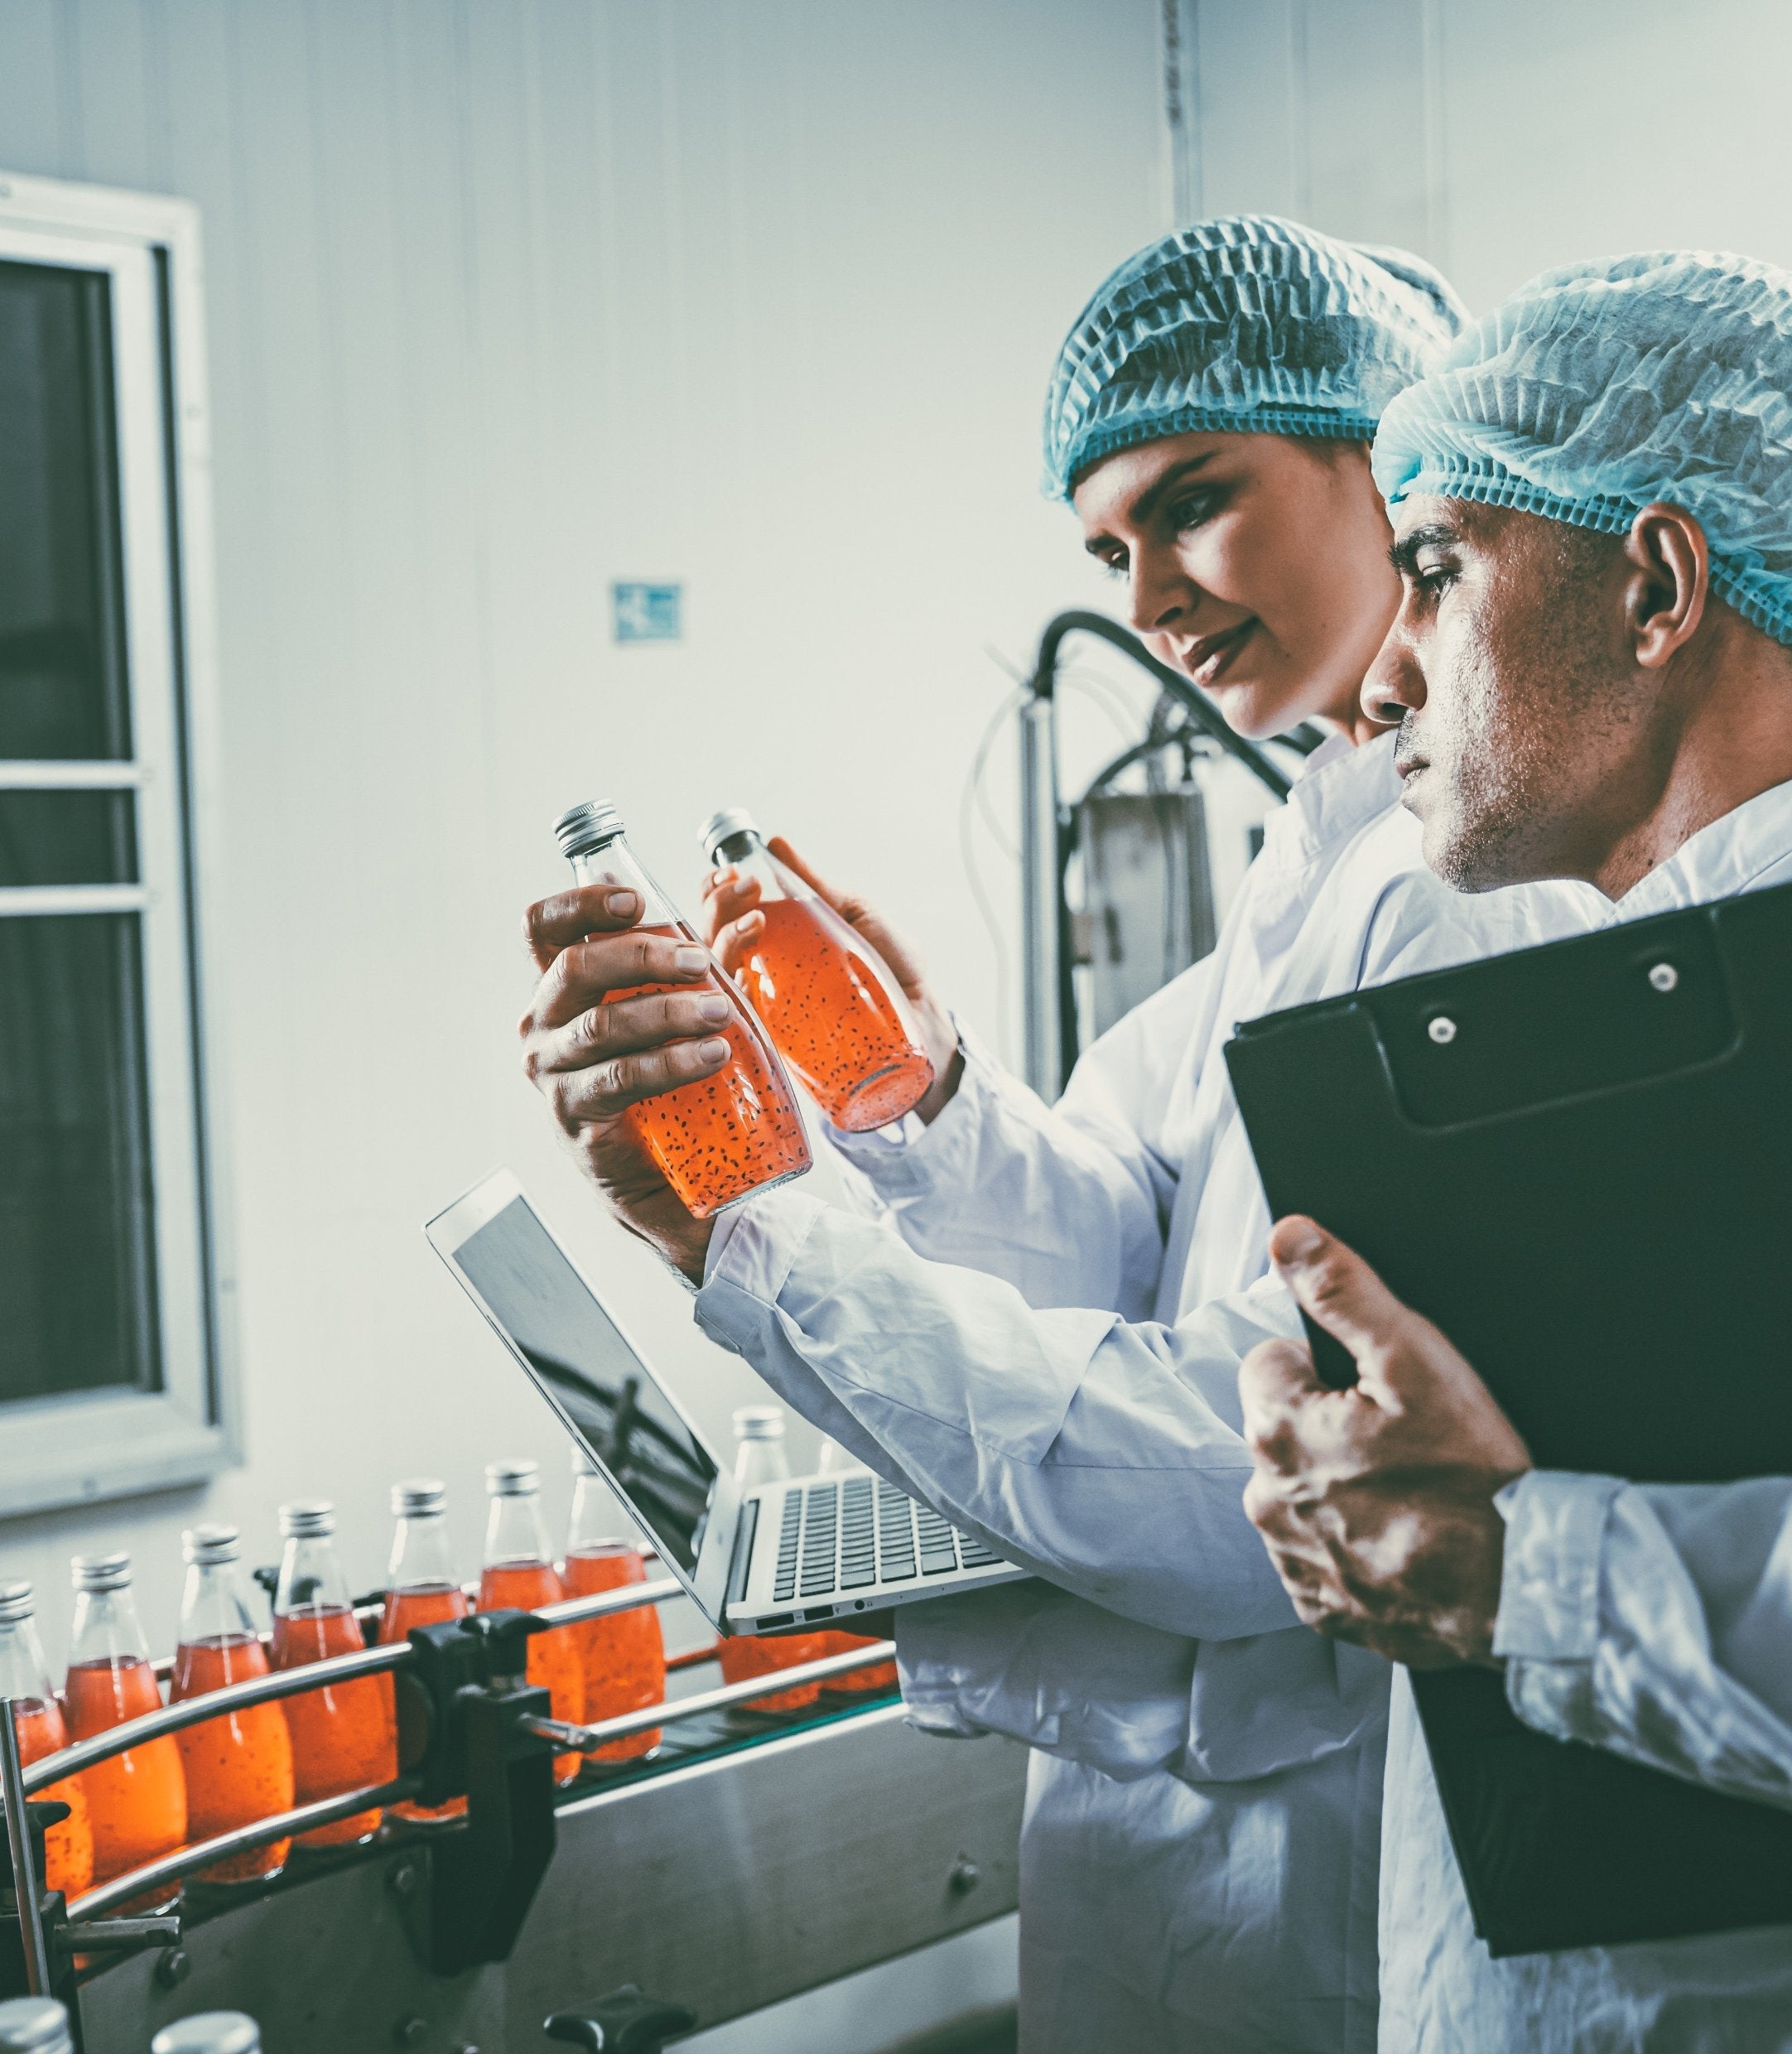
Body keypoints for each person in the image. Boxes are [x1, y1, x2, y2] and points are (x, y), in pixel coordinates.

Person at [519, 218, 1593, 2054]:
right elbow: (1138, 1234)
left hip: (1321, 1860)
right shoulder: (1321, 844)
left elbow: (1256, 1477)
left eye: (1195, 501)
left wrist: (764, 1228)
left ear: (1396, 452)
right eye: (1109, 548)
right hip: (1181, 1849)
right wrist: (911, 1104)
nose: (1149, 593)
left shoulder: (1473, 888)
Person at [1234, 251, 1792, 2052]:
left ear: (1658, 584)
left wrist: (1532, 1575)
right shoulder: (1594, 991)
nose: (1380, 676)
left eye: (1435, 569)